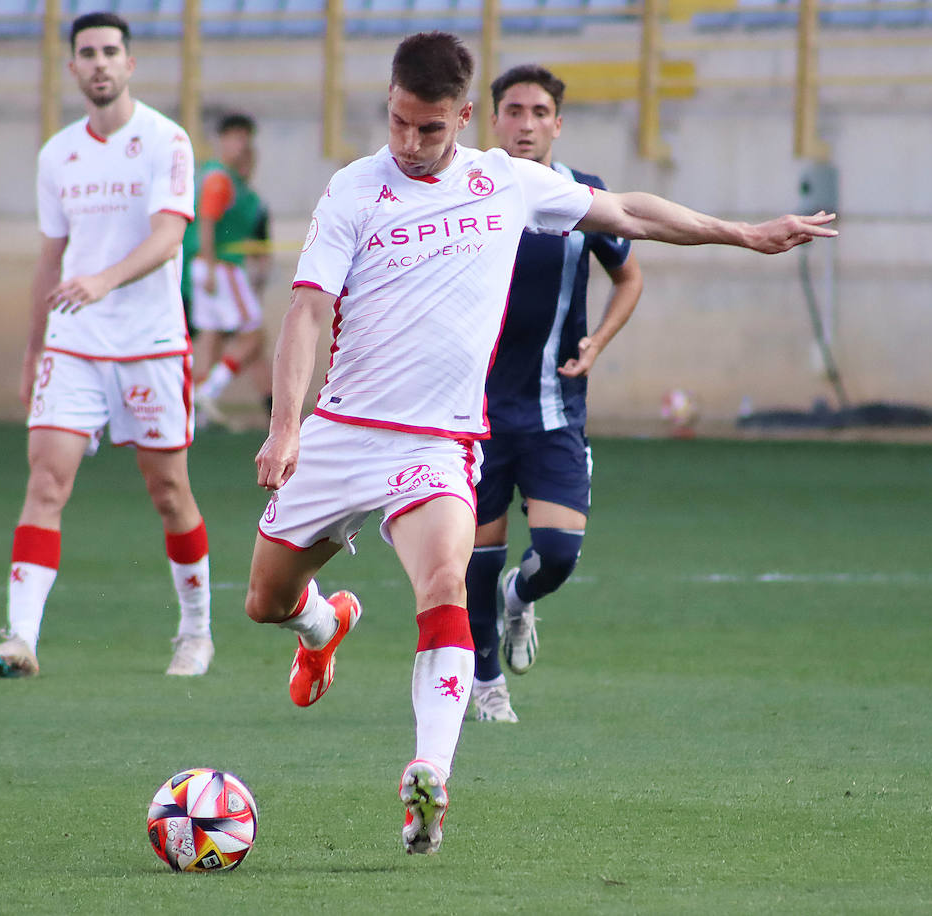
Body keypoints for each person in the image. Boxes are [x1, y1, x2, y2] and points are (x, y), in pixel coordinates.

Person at [245, 31, 835, 856]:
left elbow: (628, 210)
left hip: (440, 442)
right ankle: (323, 627)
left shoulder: (506, 181)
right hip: (343, 433)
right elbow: (307, 310)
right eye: (398, 124)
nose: (410, 145)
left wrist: (744, 232)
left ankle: (430, 774)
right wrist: (286, 426)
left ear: (461, 117)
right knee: (266, 602)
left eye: (429, 130)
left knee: (446, 582)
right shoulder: (353, 191)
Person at [0, 11, 214, 679]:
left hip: (151, 344)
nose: (101, 62)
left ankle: (196, 632)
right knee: (46, 482)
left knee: (168, 491)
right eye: (88, 53)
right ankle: (21, 640)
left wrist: (102, 281)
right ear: (73, 68)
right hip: (75, 345)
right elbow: (50, 261)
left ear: (129, 64)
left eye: (111, 51)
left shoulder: (167, 140)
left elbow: (170, 237)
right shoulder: (57, 154)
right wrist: (33, 350)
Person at [461, 65, 643, 724]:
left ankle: (521, 597)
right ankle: (485, 682)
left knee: (559, 555)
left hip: (552, 408)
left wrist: (598, 342)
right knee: (474, 557)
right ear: (493, 119)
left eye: (540, 112)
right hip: (472, 413)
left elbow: (630, 277)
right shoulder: (462, 193)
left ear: (557, 125)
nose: (526, 124)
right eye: (514, 110)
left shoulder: (583, 198)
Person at [183, 113, 274, 428]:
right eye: (235, 137)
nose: (241, 145)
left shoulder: (227, 179)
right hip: (220, 268)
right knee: (254, 336)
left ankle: (197, 415)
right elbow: (206, 222)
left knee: (212, 338)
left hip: (207, 267)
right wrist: (209, 266)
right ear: (222, 140)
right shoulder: (219, 178)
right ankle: (208, 391)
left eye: (244, 138)